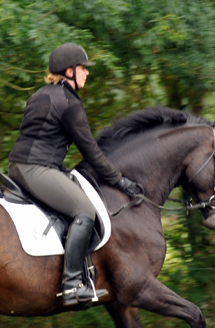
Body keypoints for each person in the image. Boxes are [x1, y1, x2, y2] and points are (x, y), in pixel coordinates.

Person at [8, 42, 143, 306]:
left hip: (18, 166)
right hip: (38, 169)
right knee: (85, 212)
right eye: (83, 68)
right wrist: (120, 181)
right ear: (69, 71)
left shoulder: (40, 94)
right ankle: (71, 285)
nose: (87, 73)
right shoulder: (69, 103)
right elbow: (91, 152)